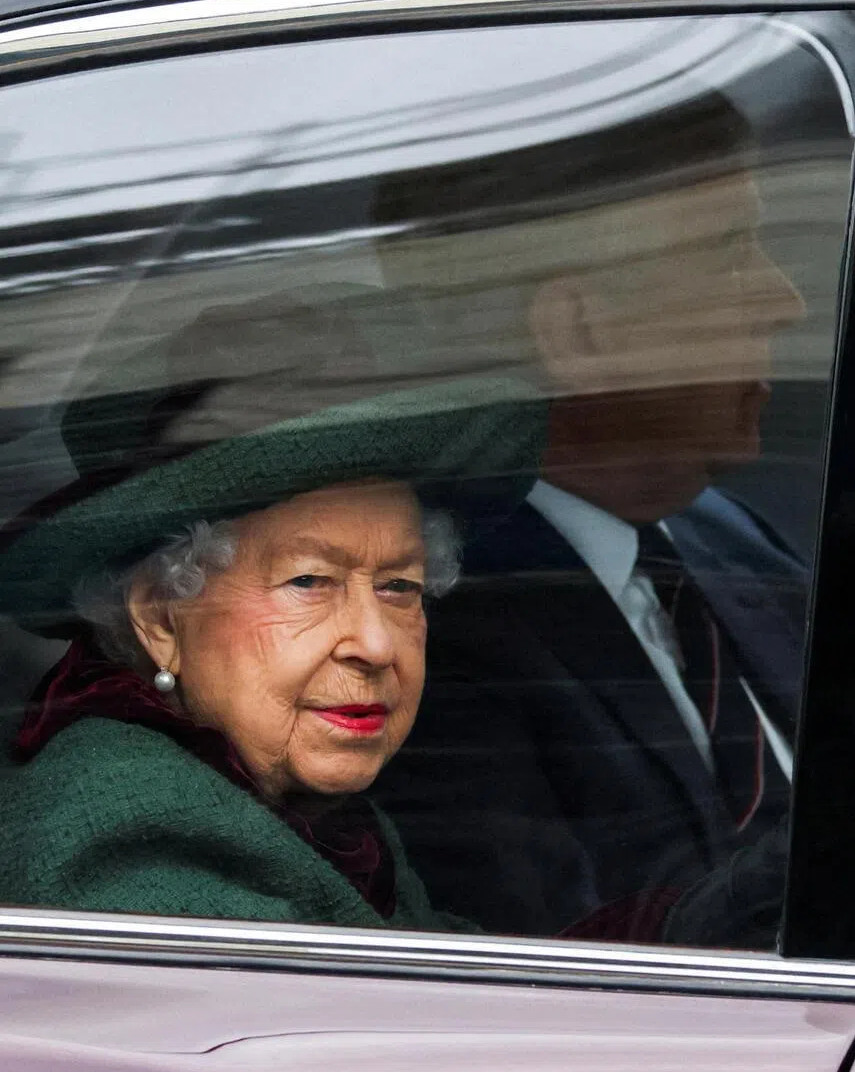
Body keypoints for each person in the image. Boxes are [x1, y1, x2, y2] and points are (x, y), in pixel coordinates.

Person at [370, 93, 855, 973]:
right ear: (580, 332)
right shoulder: (439, 631)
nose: (785, 299)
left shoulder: (721, 538)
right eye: (731, 256)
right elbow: (578, 989)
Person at [0, 292, 543, 929]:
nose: (374, 644)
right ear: (162, 616)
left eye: (400, 586)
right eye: (310, 581)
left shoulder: (290, 809)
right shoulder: (130, 830)